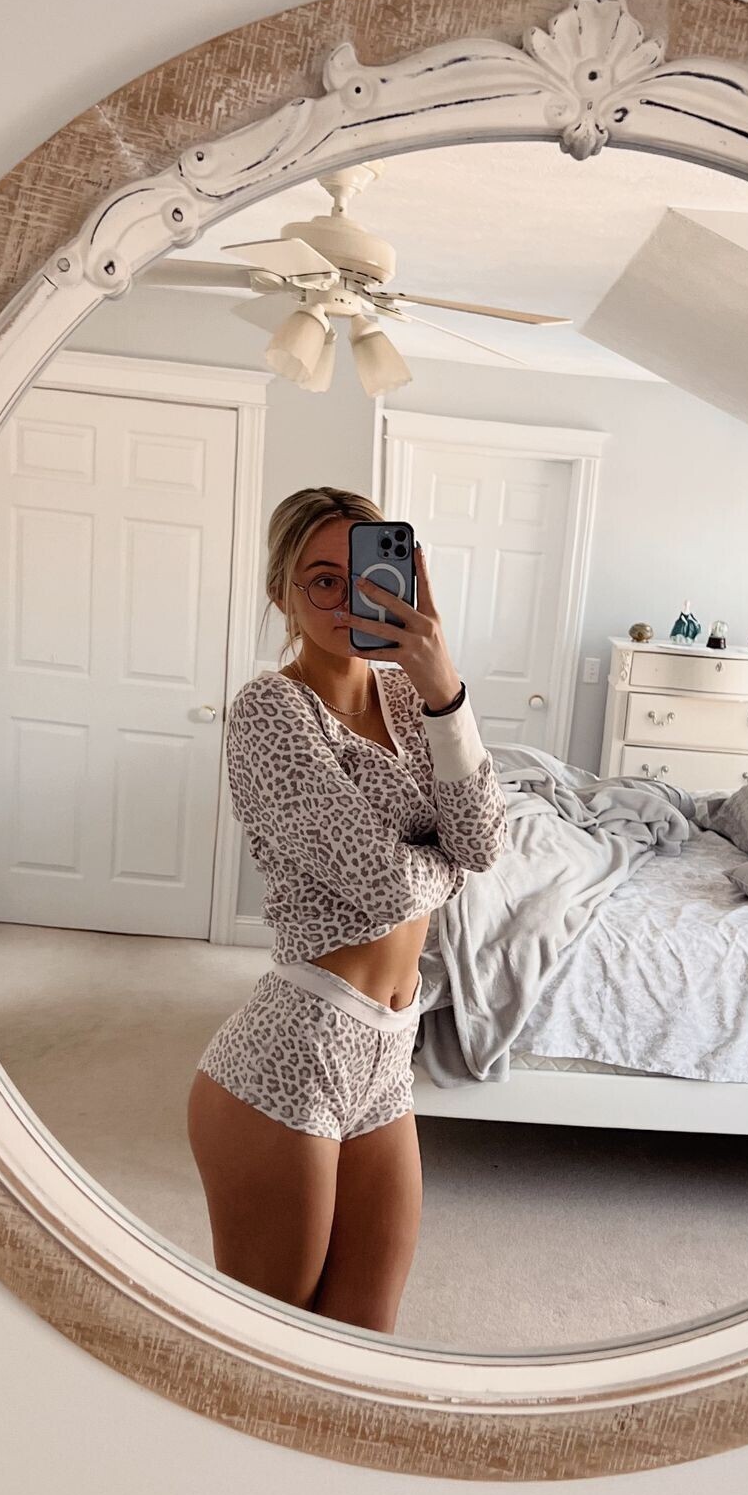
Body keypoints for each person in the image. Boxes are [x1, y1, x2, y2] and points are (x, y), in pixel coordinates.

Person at [187, 486, 508, 1334]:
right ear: (282, 594)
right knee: (271, 1343)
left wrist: (444, 688)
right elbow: (385, 887)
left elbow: (484, 840)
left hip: (389, 1057)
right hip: (293, 1053)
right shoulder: (269, 711)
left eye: (364, 579)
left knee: (366, 1341)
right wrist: (449, 861)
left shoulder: (411, 699)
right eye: (321, 581)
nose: (345, 602)